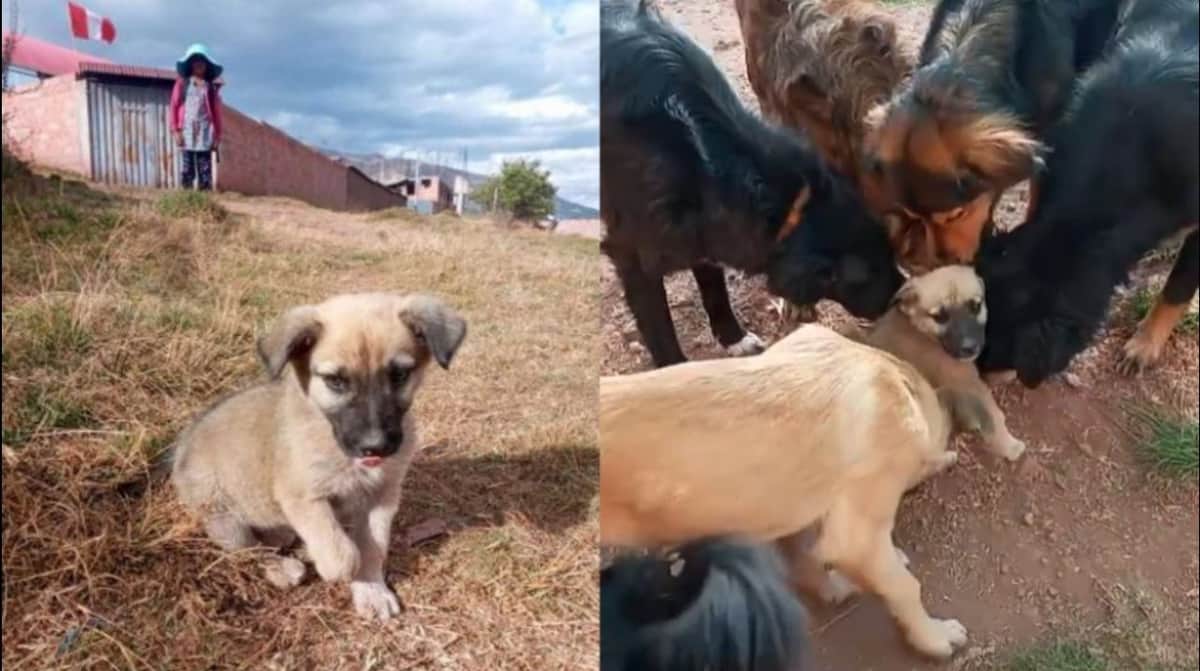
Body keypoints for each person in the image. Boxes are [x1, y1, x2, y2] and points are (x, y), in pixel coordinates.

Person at [169, 44, 224, 191]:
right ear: (190, 64)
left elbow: (217, 113)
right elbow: (173, 107)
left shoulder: (210, 88)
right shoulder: (182, 84)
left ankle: (204, 202)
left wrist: (217, 136)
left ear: (207, 64)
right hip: (186, 131)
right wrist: (176, 131)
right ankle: (187, 200)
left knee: (204, 169)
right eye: (195, 60)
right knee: (188, 168)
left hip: (205, 132)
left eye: (202, 60)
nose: (199, 63)